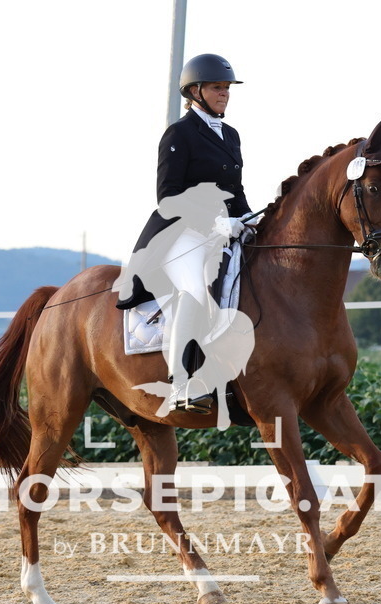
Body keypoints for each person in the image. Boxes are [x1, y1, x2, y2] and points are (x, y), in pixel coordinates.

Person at [116, 53, 257, 414]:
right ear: (195, 91)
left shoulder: (231, 134)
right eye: (216, 88)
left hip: (223, 231)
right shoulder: (179, 134)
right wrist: (214, 223)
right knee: (196, 287)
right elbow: (168, 197)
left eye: (226, 88)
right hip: (181, 235)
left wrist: (249, 218)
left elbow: (234, 190)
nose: (224, 94)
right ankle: (181, 382)